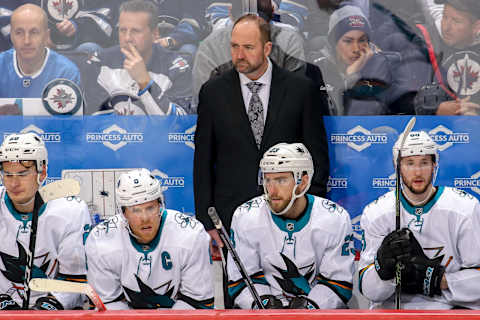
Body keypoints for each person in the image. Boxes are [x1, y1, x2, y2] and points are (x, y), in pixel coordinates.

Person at [194, 13, 330, 260]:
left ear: (267, 48)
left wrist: (310, 213)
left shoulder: (301, 90)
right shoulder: (213, 92)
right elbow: (203, 160)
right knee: (240, 296)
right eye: (234, 46)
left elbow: (316, 159)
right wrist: (207, 220)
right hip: (231, 220)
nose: (239, 55)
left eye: (248, 47)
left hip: (291, 218)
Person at [358, 130, 480, 309]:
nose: (417, 171)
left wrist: (437, 280)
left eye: (424, 163)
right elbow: (369, 291)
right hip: (393, 311)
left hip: (449, 310)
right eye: (409, 163)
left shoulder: (464, 208)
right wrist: (383, 270)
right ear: (397, 165)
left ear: (434, 165)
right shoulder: (377, 212)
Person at [228, 143, 354, 309]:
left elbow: (338, 282)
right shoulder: (245, 216)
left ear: (303, 182)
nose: (271, 190)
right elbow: (241, 280)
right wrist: (264, 303)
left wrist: (311, 307)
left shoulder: (335, 218)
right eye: (267, 180)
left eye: (281, 180)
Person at [85, 168, 214, 309]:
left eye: (150, 208)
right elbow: (107, 305)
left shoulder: (191, 234)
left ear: (160, 205)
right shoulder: (101, 240)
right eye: (136, 210)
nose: (145, 218)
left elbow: (198, 303)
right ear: (123, 213)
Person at [0, 132, 91, 310]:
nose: (14, 184)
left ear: (42, 173)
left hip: (55, 311)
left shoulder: (71, 211)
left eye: (22, 174)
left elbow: (74, 278)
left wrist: (52, 304)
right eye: (8, 175)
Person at [84, 0, 193, 115]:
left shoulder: (177, 68)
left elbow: (181, 124)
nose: (127, 38)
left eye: (135, 31)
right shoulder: (99, 62)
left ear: (155, 33)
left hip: (158, 133)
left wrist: (145, 82)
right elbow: (94, 121)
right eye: (122, 30)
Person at [192, 0, 306, 106]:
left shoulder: (289, 41)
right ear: (273, 12)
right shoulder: (211, 46)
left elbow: (294, 100)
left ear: (230, 13)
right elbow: (205, 103)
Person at [312, 5, 409, 115]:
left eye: (362, 40)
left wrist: (356, 77)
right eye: (348, 41)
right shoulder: (318, 70)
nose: (356, 49)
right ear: (333, 43)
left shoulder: (385, 68)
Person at [406, 0, 480, 115]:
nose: (446, 27)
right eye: (444, 17)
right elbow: (402, 92)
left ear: (476, 26)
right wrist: (434, 109)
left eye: (456, 21)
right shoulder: (424, 42)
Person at [0, 4, 81, 98]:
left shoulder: (66, 72)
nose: (27, 41)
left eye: (34, 32)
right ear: (11, 36)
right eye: (19, 33)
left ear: (46, 36)